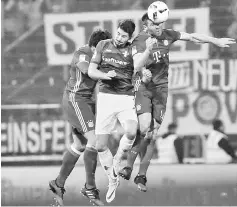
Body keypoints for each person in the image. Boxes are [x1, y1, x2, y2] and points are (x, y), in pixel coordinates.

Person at [119, 12, 236, 192]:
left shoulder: (168, 35)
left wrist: (215, 41)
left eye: (160, 23)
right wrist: (146, 59)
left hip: (161, 90)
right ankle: (128, 166)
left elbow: (192, 37)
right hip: (143, 88)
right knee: (143, 128)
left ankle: (141, 175)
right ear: (146, 26)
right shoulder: (139, 40)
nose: (159, 27)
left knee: (152, 133)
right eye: (154, 24)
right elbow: (135, 65)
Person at [49, 29, 112, 206]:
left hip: (85, 102)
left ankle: (58, 183)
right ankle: (90, 187)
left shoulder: (101, 55)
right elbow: (86, 69)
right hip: (76, 100)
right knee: (95, 142)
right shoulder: (83, 53)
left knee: (80, 145)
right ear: (96, 46)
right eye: (104, 48)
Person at [88, 19, 148, 203]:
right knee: (100, 146)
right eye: (118, 33)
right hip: (106, 97)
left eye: (123, 36)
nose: (119, 37)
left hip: (125, 97)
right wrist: (105, 75)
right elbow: (91, 70)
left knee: (131, 131)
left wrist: (144, 71)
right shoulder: (102, 45)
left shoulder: (132, 50)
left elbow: (138, 65)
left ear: (130, 38)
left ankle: (117, 161)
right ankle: (112, 179)